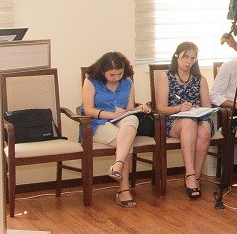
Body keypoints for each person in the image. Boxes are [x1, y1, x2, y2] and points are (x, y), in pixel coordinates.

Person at [83, 51, 151, 208]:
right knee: (126, 142)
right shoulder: (91, 81)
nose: (116, 78)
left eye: (119, 74)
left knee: (132, 118)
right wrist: (111, 114)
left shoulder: (128, 83)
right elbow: (88, 110)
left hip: (121, 121)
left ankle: (117, 165)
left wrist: (139, 108)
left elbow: (128, 109)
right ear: (102, 72)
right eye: (112, 75)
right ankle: (123, 190)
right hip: (97, 123)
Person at [158, 41, 214, 199]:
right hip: (173, 119)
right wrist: (179, 108)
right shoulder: (166, 76)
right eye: (185, 57)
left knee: (203, 130)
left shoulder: (200, 79)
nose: (188, 61)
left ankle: (196, 177)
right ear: (177, 57)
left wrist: (197, 110)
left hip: (198, 118)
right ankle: (189, 174)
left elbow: (208, 108)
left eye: (192, 58)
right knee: (188, 123)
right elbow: (161, 107)